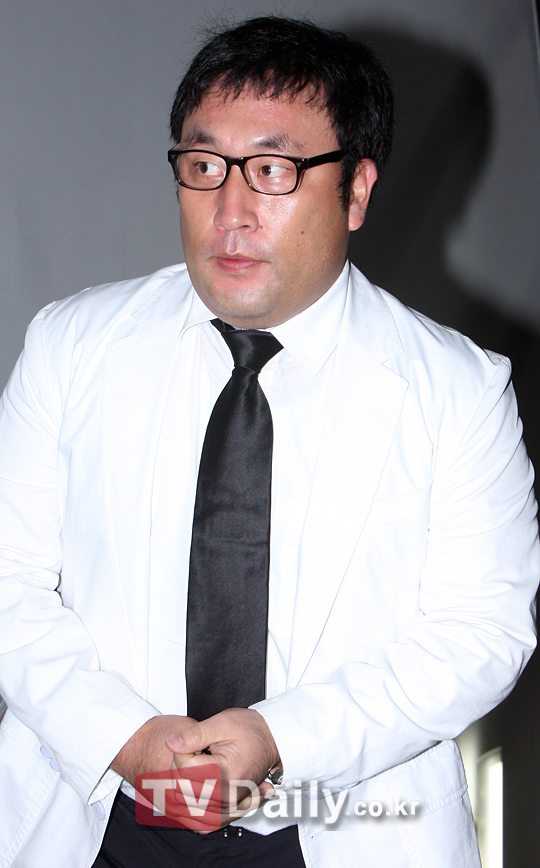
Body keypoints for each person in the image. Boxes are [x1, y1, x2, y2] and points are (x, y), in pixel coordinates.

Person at [0, 15, 538, 868]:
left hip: (340, 819)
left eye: (274, 170)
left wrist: (282, 738)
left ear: (356, 191)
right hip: (99, 810)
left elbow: (482, 631)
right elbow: (9, 582)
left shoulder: (460, 390)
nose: (231, 212)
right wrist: (124, 738)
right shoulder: (71, 346)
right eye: (204, 166)